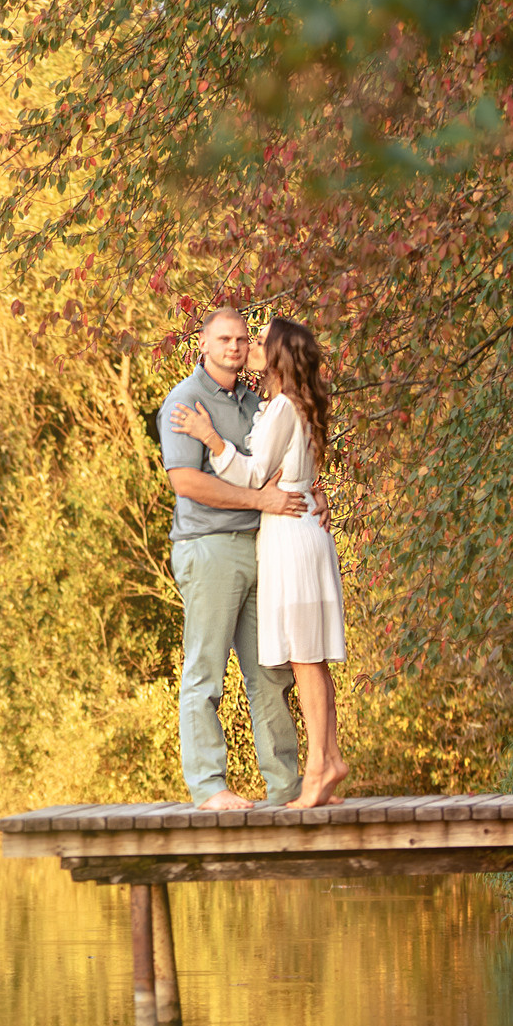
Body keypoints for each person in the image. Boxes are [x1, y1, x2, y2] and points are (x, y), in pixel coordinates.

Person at [172, 316, 349, 808]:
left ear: (275, 355)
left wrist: (211, 439)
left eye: (255, 340)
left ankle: (316, 770)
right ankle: (326, 761)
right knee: (306, 658)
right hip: (288, 529)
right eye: (234, 338)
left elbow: (255, 475)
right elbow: (288, 470)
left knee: (301, 659)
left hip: (287, 535)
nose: (246, 345)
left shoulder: (278, 405)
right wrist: (308, 489)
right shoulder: (286, 403)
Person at [158, 308, 307, 810]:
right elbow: (187, 482)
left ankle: (286, 787)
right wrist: (259, 500)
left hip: (261, 544)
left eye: (243, 339)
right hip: (209, 547)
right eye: (224, 339)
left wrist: (316, 494)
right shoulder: (185, 402)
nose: (235, 347)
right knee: (206, 669)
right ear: (203, 344)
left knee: (271, 670)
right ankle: (208, 786)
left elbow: (275, 467)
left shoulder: (255, 402)